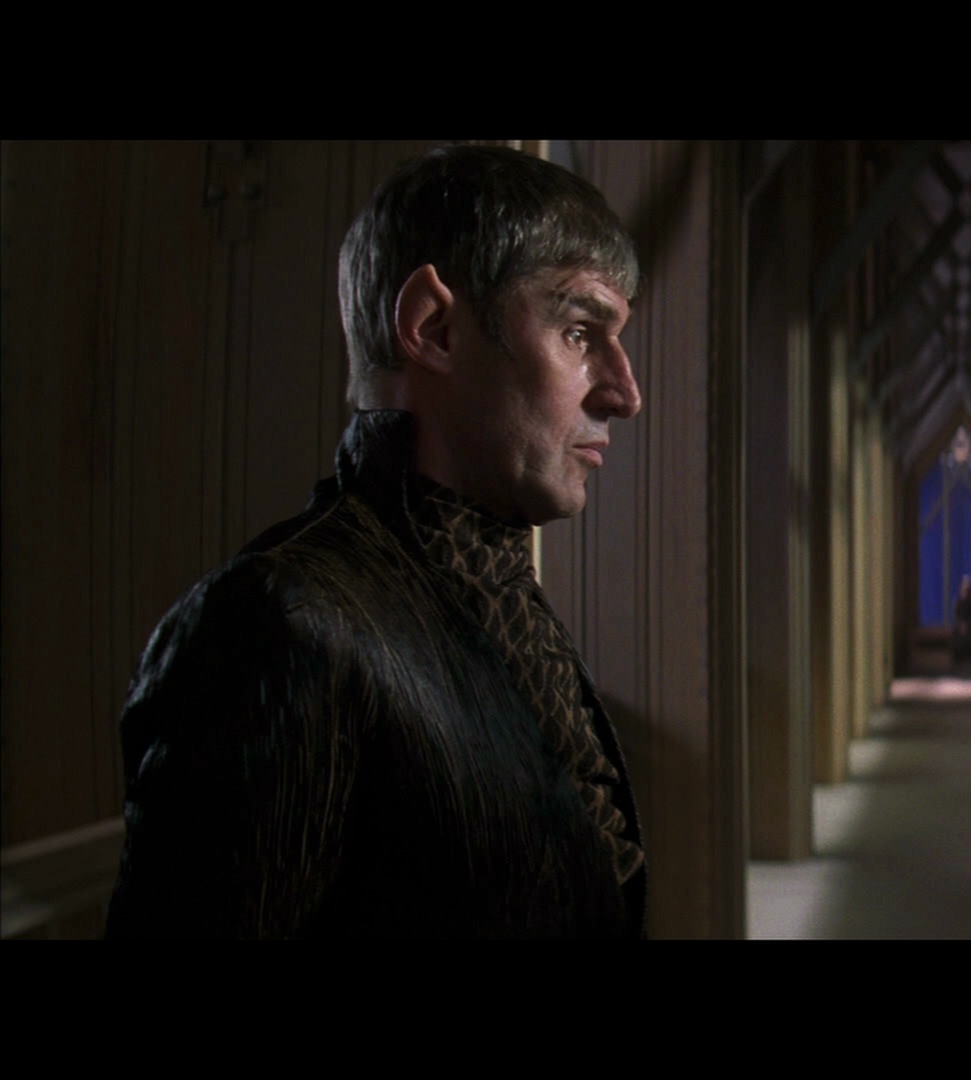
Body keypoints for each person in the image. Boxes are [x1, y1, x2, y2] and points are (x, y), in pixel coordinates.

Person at [105, 145, 649, 938]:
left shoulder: (493, 586)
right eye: (577, 331)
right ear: (434, 328)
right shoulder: (277, 624)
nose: (625, 394)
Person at [952, 575, 971, 667]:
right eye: (964, 589)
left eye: (967, 590)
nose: (965, 592)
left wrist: (967, 625)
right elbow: (956, 616)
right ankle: (957, 661)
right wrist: (961, 625)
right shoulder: (958, 602)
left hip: (970, 627)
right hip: (959, 627)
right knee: (955, 637)